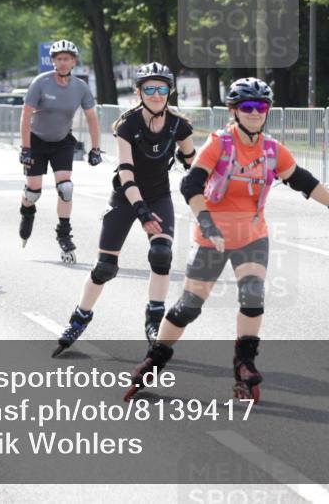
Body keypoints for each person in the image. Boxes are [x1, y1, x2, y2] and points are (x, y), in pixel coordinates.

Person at [125, 77, 329, 403]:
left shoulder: (271, 150)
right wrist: (207, 222)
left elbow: (304, 181)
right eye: (247, 107)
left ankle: (244, 363)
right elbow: (189, 186)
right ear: (235, 111)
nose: (255, 113)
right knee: (188, 308)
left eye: (261, 107)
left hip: (252, 236)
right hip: (211, 239)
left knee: (253, 295)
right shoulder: (219, 144)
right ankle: (155, 359)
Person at [53, 62, 196, 356]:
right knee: (105, 268)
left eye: (161, 89)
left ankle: (154, 321)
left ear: (170, 91)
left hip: (158, 197)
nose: (156, 95)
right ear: (138, 92)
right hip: (126, 198)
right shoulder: (127, 125)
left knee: (161, 255)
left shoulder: (179, 125)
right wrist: (141, 211)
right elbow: (126, 172)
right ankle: (79, 318)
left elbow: (194, 165)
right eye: (149, 89)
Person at [19, 39, 102, 262]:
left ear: (73, 61)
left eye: (67, 59)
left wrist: (96, 148)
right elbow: (26, 116)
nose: (63, 62)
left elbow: (92, 118)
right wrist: (25, 148)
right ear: (53, 61)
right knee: (33, 192)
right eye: (59, 59)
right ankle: (27, 211)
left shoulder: (81, 87)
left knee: (66, 188)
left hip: (62, 141)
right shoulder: (41, 83)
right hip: (36, 141)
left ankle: (64, 235)